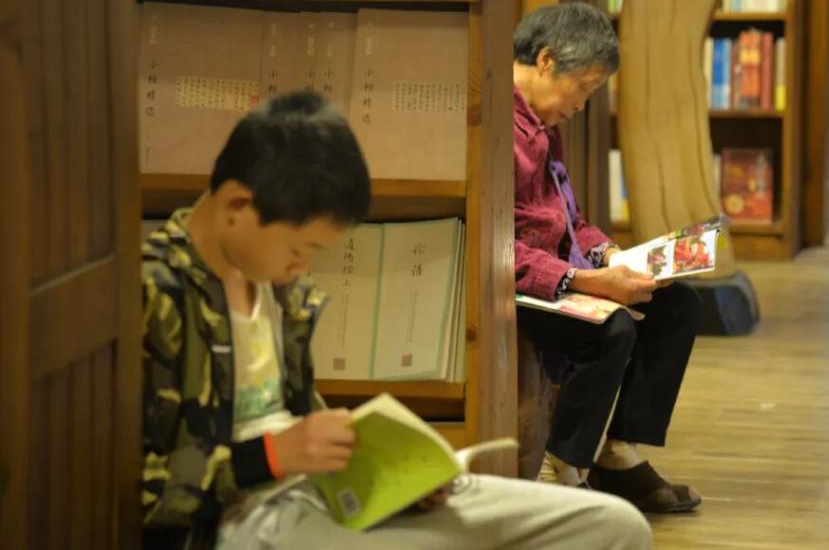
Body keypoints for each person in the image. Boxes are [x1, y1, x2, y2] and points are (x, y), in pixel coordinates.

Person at [141, 91, 652, 549]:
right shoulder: (155, 294)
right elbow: (141, 492)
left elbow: (297, 417)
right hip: (243, 521)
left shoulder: (272, 284)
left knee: (612, 525)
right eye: (300, 249)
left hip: (329, 494)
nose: (301, 269)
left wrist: (394, 477)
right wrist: (273, 456)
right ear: (237, 206)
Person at [513, 2, 704, 513]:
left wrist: (613, 255)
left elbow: (570, 219)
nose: (583, 104)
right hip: (524, 286)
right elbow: (497, 248)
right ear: (547, 61)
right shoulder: (496, 127)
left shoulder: (543, 125)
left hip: (564, 275)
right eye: (585, 87)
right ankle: (561, 469)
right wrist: (584, 281)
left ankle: (618, 452)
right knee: (610, 328)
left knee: (677, 305)